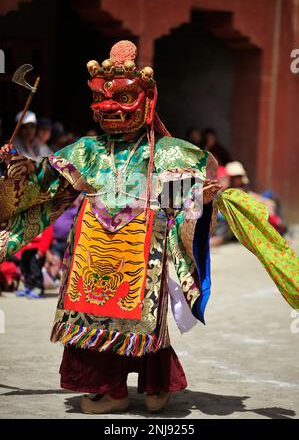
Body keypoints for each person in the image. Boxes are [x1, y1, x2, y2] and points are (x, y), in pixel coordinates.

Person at [0, 40, 298, 415]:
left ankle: (154, 383)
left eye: (123, 98)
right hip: (92, 246)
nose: (110, 108)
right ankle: (111, 388)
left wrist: (200, 200)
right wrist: (19, 167)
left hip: (142, 247)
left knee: (143, 320)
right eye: (102, 99)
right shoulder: (87, 151)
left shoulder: (167, 152)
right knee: (92, 314)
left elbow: (181, 199)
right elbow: (47, 182)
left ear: (146, 100)